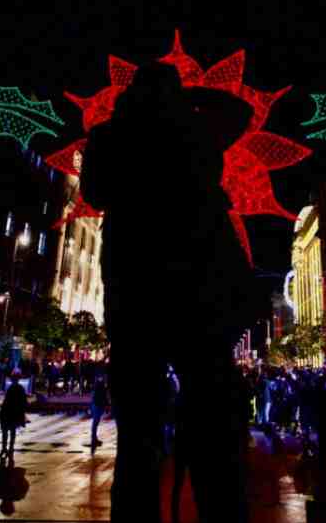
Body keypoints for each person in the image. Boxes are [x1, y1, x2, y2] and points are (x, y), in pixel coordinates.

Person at [80, 62, 254, 523]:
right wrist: (182, 97)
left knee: (138, 436)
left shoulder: (108, 135)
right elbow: (239, 111)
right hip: (198, 288)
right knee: (213, 430)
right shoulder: (196, 126)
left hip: (135, 285)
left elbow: (95, 194)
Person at [0, 370, 28, 459]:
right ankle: (9, 448)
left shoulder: (12, 387)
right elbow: (23, 402)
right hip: (13, 413)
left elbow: (7, 401)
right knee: (11, 431)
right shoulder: (19, 388)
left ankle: (5, 449)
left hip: (8, 412)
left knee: (6, 432)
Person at [91, 371, 109, 448]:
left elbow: (103, 396)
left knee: (96, 422)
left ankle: (94, 437)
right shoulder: (100, 385)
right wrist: (106, 404)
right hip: (98, 405)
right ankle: (94, 438)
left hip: (97, 405)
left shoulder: (100, 385)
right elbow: (102, 396)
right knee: (95, 422)